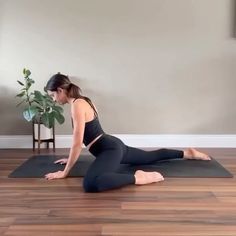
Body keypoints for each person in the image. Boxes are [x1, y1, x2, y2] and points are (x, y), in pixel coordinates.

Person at [44, 73, 211, 192]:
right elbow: (88, 135)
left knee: (91, 184)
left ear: (60, 90)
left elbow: (77, 142)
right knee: (150, 157)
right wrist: (70, 159)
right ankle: (187, 153)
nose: (53, 99)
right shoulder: (84, 100)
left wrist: (65, 172)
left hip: (109, 149)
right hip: (112, 145)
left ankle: (139, 178)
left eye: (52, 95)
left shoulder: (77, 105)